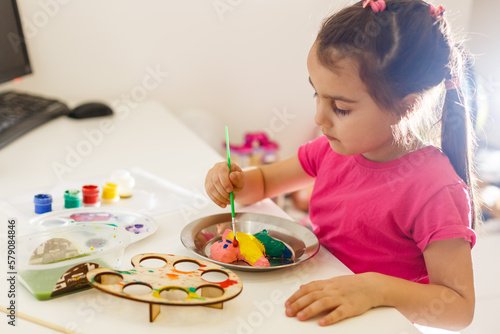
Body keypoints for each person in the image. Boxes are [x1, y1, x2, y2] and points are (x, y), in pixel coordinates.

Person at [205, 0, 479, 330]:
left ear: (406, 108)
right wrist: (231, 181)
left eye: (340, 108)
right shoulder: (332, 150)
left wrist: (376, 288)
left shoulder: (435, 189)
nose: (319, 118)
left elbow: (459, 309)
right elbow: (261, 184)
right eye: (316, 95)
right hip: (317, 307)